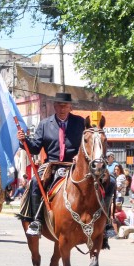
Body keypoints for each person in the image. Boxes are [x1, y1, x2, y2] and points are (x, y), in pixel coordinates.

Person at [17, 93, 116, 238]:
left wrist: (80, 156)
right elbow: (35, 148)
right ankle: (37, 221)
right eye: (59, 105)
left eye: (65, 105)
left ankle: (106, 223)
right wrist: (23, 140)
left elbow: (87, 143)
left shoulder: (80, 123)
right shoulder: (45, 124)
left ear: (71, 107)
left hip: (77, 165)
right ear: (54, 106)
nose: (62, 108)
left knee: (111, 181)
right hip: (53, 165)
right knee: (34, 183)